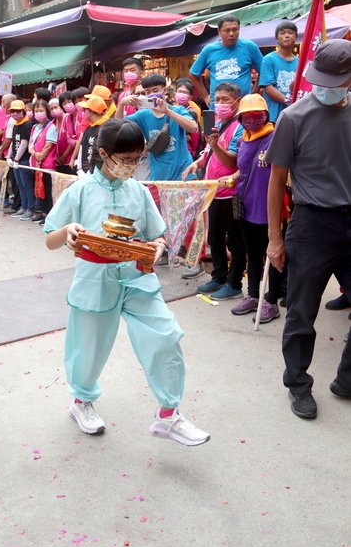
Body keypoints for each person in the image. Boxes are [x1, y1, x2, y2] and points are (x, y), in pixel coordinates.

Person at [43, 118, 210, 446]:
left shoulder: (138, 191)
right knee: (87, 347)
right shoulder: (79, 190)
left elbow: (156, 233)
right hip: (95, 278)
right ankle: (81, 403)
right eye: (126, 159)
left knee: (165, 335)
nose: (133, 166)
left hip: (136, 276)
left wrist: (158, 245)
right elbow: (50, 238)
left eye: (138, 159)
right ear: (103, 154)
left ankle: (168, 416)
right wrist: (68, 232)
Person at [266, 38, 351, 420]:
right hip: (311, 222)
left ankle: (346, 378)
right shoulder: (293, 117)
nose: (326, 88)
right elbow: (276, 180)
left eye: (335, 82)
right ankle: (298, 385)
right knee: (301, 312)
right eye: (322, 79)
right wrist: (274, 239)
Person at [183, 82, 246, 299]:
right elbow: (208, 152)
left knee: (235, 241)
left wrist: (216, 145)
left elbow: (233, 162)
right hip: (213, 191)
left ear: (237, 102)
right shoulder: (217, 122)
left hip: (232, 192)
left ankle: (234, 283)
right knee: (215, 238)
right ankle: (219, 277)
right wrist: (198, 163)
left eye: (225, 100)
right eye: (216, 99)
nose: (219, 104)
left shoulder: (240, 126)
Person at [229, 94, 283, 323]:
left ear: (266, 116)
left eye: (257, 116)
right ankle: (253, 295)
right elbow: (242, 168)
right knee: (252, 254)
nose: (252, 120)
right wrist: (233, 177)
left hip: (270, 209)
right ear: (240, 119)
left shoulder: (276, 137)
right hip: (246, 206)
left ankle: (271, 300)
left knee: (275, 256)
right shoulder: (242, 140)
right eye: (247, 117)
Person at [115, 73, 197, 182]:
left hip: (184, 173)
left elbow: (193, 128)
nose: (152, 94)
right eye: (148, 92)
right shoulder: (143, 115)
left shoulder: (178, 110)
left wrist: (168, 112)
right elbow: (118, 124)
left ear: (164, 91)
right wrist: (121, 105)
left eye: (155, 90)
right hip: (159, 176)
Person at [189, 15, 263, 109]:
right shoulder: (209, 50)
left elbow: (263, 70)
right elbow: (193, 74)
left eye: (235, 30)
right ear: (219, 31)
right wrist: (204, 95)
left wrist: (254, 93)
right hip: (218, 107)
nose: (232, 33)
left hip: (244, 105)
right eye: (227, 30)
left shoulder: (250, 47)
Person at [259, 22, 298, 123]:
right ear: (277, 38)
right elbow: (268, 88)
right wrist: (289, 101)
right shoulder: (268, 59)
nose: (287, 35)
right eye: (282, 33)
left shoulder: (300, 62)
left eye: (290, 33)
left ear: (296, 37)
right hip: (273, 116)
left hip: (294, 115)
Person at [6, 100, 35, 221]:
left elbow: (24, 143)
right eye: (12, 111)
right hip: (16, 160)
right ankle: (23, 207)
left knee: (27, 185)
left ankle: (30, 208)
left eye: (17, 111)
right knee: (20, 185)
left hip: (23, 160)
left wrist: (17, 159)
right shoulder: (16, 124)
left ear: (23, 111)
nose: (14, 114)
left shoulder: (27, 125)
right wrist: (9, 156)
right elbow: (14, 142)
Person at [75, 95, 109, 176]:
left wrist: (89, 172)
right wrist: (79, 168)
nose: (84, 112)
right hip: (84, 172)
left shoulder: (105, 129)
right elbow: (82, 147)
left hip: (96, 174)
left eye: (85, 110)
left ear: (90, 111)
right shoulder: (89, 127)